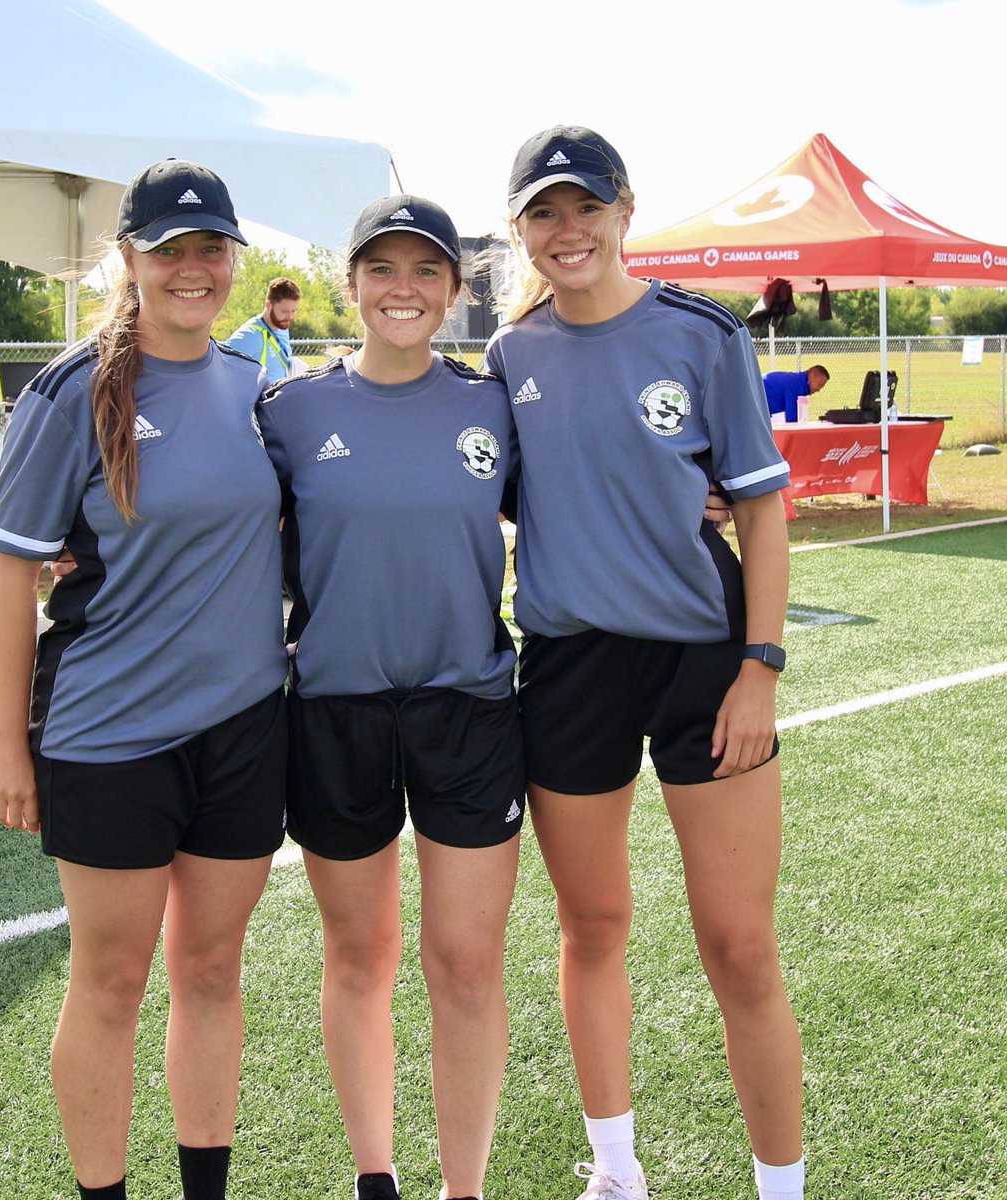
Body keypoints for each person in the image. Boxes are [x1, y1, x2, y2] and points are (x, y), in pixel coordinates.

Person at [484, 126, 804, 1200]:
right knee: (593, 926)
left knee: (738, 945)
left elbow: (760, 503)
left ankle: (781, 1186)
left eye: (586, 207)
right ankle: (616, 1173)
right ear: (522, 230)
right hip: (571, 667)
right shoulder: (509, 355)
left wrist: (759, 664)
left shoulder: (702, 334)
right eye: (544, 212)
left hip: (705, 663)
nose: (567, 231)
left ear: (626, 212)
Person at [0, 158, 288, 1200]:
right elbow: (13, 580)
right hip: (108, 738)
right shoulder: (70, 395)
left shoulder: (261, 387)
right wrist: (5, 744)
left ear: (234, 260)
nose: (194, 269)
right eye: (170, 249)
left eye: (213, 248)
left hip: (246, 731)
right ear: (129, 258)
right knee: (111, 982)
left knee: (209, 972)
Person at [256, 195, 524, 1200]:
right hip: (335, 714)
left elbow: (584, 481)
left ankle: (466, 1190)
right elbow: (211, 515)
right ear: (352, 284)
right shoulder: (291, 414)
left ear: (455, 290)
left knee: (462, 966)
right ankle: (378, 1177)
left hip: (470, 711)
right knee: (360, 957)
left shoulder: (492, 407)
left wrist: (699, 487)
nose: (402, 290)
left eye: (425, 272)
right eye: (383, 270)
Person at [224, 275, 301, 381]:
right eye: (284, 311)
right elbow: (222, 371)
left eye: (293, 311)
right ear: (268, 305)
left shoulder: (282, 327)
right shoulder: (249, 335)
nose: (290, 317)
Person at [762, 365, 829, 422]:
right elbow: (791, 421)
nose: (818, 390)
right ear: (811, 376)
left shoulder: (797, 381)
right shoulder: (796, 385)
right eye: (819, 385)